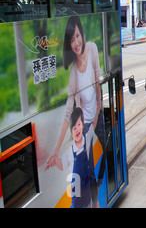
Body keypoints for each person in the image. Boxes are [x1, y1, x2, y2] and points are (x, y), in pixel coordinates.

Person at [47, 15, 104, 207]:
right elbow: (68, 111)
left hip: (97, 116)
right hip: (85, 123)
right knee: (87, 168)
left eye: (77, 36)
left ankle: (101, 184)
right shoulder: (73, 73)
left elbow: (98, 81)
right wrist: (56, 150)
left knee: (106, 149)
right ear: (69, 44)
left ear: (82, 32)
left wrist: (97, 115)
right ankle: (95, 203)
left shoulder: (93, 48)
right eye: (72, 40)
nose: (76, 42)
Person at [45, 108, 97, 208]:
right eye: (74, 128)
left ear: (83, 125)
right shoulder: (70, 151)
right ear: (71, 133)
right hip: (76, 194)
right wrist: (55, 161)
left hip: (86, 189)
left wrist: (97, 109)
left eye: (79, 125)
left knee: (88, 204)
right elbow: (62, 165)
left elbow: (93, 125)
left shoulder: (87, 138)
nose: (77, 129)